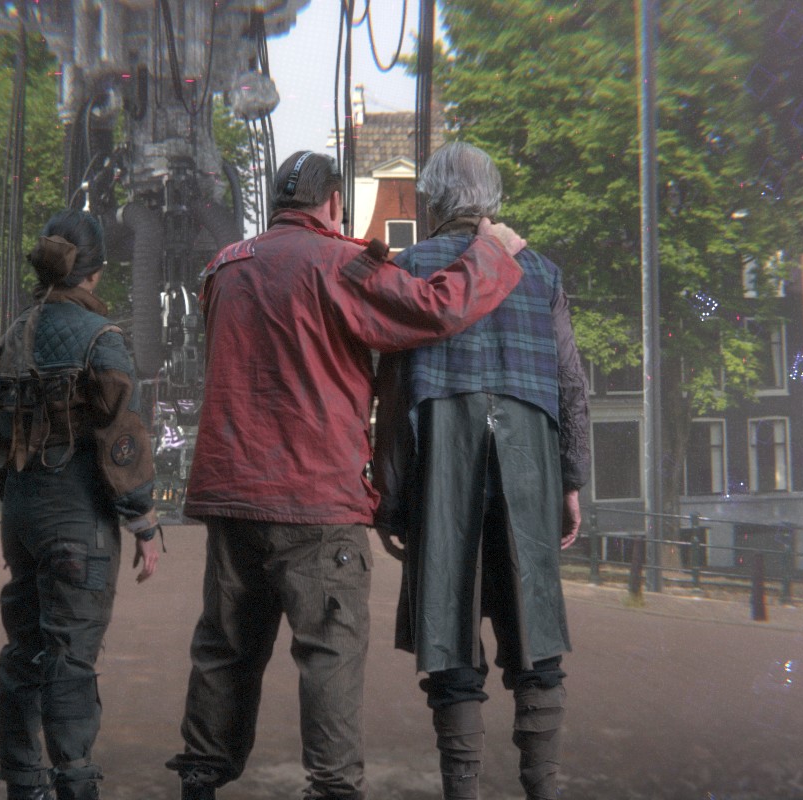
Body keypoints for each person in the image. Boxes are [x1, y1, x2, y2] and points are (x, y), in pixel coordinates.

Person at [166, 150, 529, 800]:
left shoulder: (223, 267)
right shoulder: (339, 263)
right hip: (316, 496)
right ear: (333, 202)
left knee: (225, 647)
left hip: (231, 493)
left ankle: (200, 776)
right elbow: (431, 310)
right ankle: (333, 787)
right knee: (329, 652)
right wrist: (492, 252)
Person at [370, 142, 590, 800]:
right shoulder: (541, 272)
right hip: (529, 459)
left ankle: (461, 790)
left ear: (432, 200)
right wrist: (571, 479)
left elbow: (392, 396)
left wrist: (391, 498)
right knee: (535, 633)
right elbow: (571, 385)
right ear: (492, 198)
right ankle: (541, 788)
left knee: (450, 633)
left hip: (442, 458)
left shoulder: (409, 270)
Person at [0, 210, 163, 800]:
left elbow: (0, 436)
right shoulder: (102, 339)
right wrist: (143, 522)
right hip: (76, 521)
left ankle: (22, 780)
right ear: (95, 271)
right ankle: (75, 783)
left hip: (21, 516)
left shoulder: (13, 334)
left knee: (24, 648)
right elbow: (122, 438)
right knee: (70, 657)